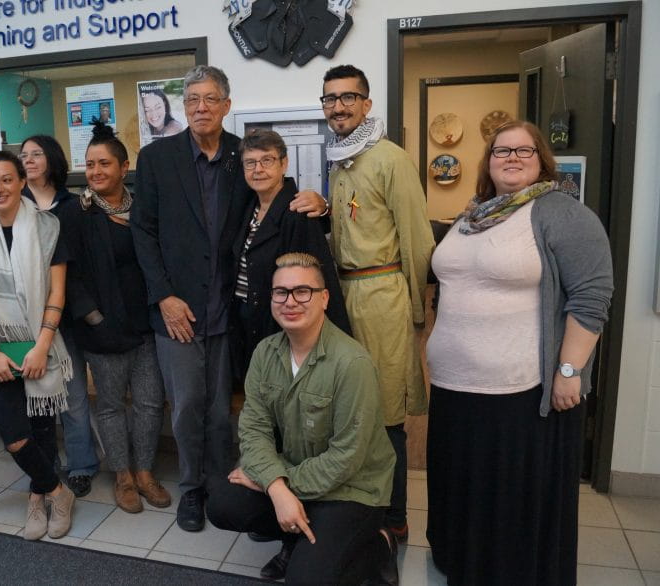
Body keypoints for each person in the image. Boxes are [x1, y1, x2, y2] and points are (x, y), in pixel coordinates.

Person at [131, 65, 326, 532]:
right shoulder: (157, 158)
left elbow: (274, 194)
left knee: (222, 409)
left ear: (226, 105)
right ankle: (192, 489)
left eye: (210, 99)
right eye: (192, 99)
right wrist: (164, 297)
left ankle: (223, 485)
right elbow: (143, 230)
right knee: (187, 405)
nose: (200, 107)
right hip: (176, 310)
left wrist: (317, 201)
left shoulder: (244, 155)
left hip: (228, 308)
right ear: (185, 106)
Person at [425, 121, 613, 586]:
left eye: (523, 150)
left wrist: (570, 370)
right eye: (501, 150)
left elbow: (591, 296)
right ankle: (463, 563)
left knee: (507, 495)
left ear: (541, 159)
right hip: (453, 385)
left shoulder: (562, 213)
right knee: (464, 488)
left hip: (518, 391)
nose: (511, 157)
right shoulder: (475, 214)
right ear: (488, 161)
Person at [206, 253, 399, 585]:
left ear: (324, 298)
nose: (290, 301)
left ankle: (379, 545)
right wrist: (278, 488)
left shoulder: (352, 364)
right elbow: (253, 429)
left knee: (306, 580)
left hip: (351, 489)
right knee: (223, 503)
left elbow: (346, 459)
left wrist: (276, 484)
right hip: (297, 473)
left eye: (302, 291)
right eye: (280, 292)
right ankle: (295, 537)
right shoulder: (266, 353)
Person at [317, 64, 435, 540]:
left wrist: (418, 310)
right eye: (330, 99)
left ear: (367, 104)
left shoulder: (390, 159)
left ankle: (394, 518)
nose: (338, 106)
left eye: (348, 97)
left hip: (382, 295)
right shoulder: (343, 161)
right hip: (344, 295)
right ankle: (354, 509)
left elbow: (418, 239)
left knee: (385, 415)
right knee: (346, 408)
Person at [0, 151, 75, 542]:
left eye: (6, 179)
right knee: (14, 436)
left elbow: (58, 291)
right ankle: (59, 491)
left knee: (42, 432)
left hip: (39, 344)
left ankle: (37, 500)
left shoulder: (47, 227)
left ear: (22, 181)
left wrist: (41, 346)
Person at [66, 122, 170, 513]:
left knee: (149, 401)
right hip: (103, 328)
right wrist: (93, 317)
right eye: (90, 164)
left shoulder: (145, 205)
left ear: (124, 168)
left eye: (104, 163)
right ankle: (122, 476)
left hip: (146, 324)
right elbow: (67, 271)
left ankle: (145, 472)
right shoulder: (77, 213)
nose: (95, 172)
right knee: (110, 405)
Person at [232, 127, 350, 378]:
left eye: (267, 160)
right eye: (250, 163)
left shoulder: (297, 213)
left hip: (283, 330)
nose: (258, 169)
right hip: (248, 326)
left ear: (284, 163)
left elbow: (316, 282)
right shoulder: (247, 209)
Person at [19, 134, 100, 498]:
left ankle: (81, 464)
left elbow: (83, 261)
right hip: (25, 315)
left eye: (37, 154)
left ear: (52, 159)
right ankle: (44, 465)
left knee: (73, 393)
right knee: (35, 394)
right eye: (23, 156)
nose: (29, 160)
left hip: (69, 313)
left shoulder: (74, 205)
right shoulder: (13, 205)